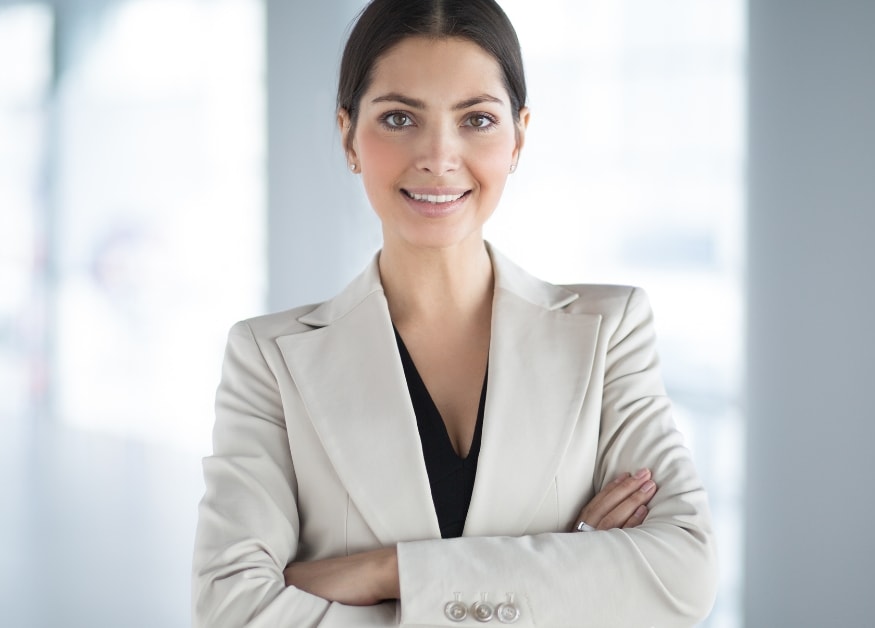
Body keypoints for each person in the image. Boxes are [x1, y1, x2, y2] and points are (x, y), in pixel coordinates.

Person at [192, 1, 716, 625]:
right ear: (346, 135)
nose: (439, 157)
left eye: (476, 120)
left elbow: (683, 577)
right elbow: (232, 610)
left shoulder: (610, 332)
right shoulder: (269, 359)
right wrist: (572, 568)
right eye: (397, 117)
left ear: (519, 136)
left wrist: (387, 571)